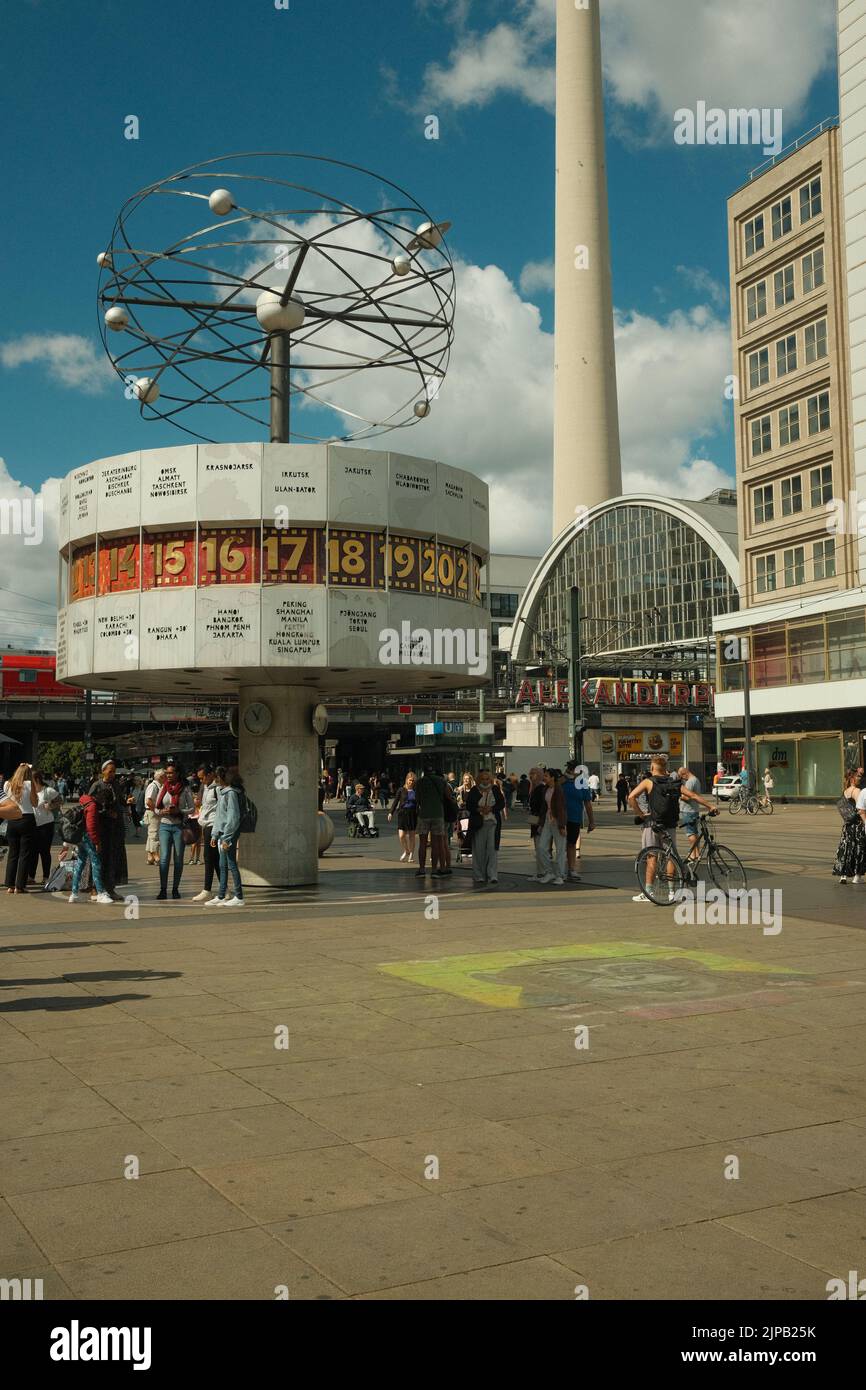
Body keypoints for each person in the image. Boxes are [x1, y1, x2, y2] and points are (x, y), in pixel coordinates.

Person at [628, 755, 716, 903]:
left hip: (652, 824)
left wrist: (641, 815)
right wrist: (710, 806)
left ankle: (648, 892)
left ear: (652, 768)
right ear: (665, 768)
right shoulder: (674, 782)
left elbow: (631, 797)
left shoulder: (648, 782)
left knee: (651, 855)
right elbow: (693, 795)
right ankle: (671, 892)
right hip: (670, 825)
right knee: (671, 857)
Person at [154, 765, 194, 900]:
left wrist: (180, 811)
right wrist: (162, 811)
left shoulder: (185, 788)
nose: (169, 775)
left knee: (178, 859)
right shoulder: (163, 787)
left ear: (177, 773)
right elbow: (155, 808)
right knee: (164, 859)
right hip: (165, 825)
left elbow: (192, 808)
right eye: (167, 773)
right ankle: (163, 889)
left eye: (171, 773)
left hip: (179, 827)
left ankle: (175, 889)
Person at [68, 785, 114, 904]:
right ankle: (100, 892)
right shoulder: (93, 806)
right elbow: (91, 826)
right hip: (89, 838)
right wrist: (96, 842)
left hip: (81, 837)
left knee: (80, 863)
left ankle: (74, 893)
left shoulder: (85, 801)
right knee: (96, 864)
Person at [89, 760, 127, 901]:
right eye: (110, 771)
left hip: (115, 827)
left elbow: (120, 801)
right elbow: (90, 805)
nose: (112, 774)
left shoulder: (116, 784)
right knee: (100, 858)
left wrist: (127, 801)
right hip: (102, 827)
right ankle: (95, 888)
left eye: (114, 771)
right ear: (103, 771)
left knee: (113, 858)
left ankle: (110, 889)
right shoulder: (97, 785)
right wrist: (105, 812)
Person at [208, 769, 245, 907]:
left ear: (223, 778)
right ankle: (221, 895)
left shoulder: (231, 794)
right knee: (222, 865)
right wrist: (215, 833)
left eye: (217, 777)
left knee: (231, 864)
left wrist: (227, 838)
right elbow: (220, 816)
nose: (215, 780)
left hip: (228, 834)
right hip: (222, 833)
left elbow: (232, 818)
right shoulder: (223, 792)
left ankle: (239, 896)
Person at [3, 762, 38, 894]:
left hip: (12, 819)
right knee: (25, 854)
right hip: (27, 819)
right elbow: (35, 803)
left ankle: (9, 885)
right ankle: (20, 885)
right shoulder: (29, 784)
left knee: (13, 853)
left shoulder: (7, 784)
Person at [466, 769, 504, 887]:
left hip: (492, 823)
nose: (485, 781)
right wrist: (479, 809)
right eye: (483, 779)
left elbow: (501, 803)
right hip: (479, 824)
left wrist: (491, 809)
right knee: (479, 850)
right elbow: (469, 805)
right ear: (479, 779)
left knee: (492, 849)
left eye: (487, 779)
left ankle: (492, 875)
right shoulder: (474, 790)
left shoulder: (495, 789)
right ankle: (479, 875)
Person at [532, 768, 568, 885]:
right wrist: (541, 824)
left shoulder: (559, 790)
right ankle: (549, 872)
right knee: (541, 847)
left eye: (546, 776)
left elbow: (562, 808)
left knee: (560, 850)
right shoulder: (546, 789)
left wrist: (562, 826)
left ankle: (560, 875)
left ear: (552, 777)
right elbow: (543, 807)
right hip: (548, 820)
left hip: (557, 821)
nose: (544, 778)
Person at [27, 769, 60, 886]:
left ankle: (46, 877)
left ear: (36, 779)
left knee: (44, 851)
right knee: (32, 852)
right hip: (32, 825)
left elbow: (60, 801)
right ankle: (31, 876)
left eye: (29, 779)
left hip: (46, 825)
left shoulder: (48, 791)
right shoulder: (29, 791)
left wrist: (51, 805)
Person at [563, 762, 595, 882]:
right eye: (569, 769)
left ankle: (571, 870)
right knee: (560, 845)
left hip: (574, 818)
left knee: (571, 844)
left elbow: (587, 803)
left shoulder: (582, 784)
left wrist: (591, 821)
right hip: (559, 818)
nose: (571, 772)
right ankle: (558, 870)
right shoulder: (562, 782)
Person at [191, 765, 219, 903]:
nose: (201, 781)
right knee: (214, 858)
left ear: (210, 775)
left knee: (210, 857)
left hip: (214, 826)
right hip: (206, 824)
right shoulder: (206, 787)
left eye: (202, 777)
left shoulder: (217, 788)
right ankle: (222, 888)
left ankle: (208, 889)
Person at [415, 765, 448, 878]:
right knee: (436, 844)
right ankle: (434, 870)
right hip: (438, 814)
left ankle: (422, 869)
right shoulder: (441, 781)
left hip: (424, 814)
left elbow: (417, 799)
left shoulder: (419, 782)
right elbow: (447, 796)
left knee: (423, 843)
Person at [833, 771, 866, 885]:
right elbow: (860, 808)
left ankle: (843, 875)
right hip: (858, 825)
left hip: (847, 826)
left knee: (846, 849)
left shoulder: (845, 791)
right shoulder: (856, 791)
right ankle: (857, 876)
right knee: (859, 849)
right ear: (852, 779)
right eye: (858, 776)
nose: (860, 778)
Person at [388, 772, 418, 863]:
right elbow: (395, 802)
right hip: (402, 814)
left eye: (413, 781)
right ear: (406, 780)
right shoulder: (401, 790)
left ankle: (411, 854)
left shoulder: (416, 790)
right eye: (410, 780)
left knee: (412, 836)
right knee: (401, 835)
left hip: (412, 814)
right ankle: (406, 850)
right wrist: (390, 813)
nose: (411, 782)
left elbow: (419, 803)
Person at [676, 766, 703, 866]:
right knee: (695, 833)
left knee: (690, 833)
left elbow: (687, 797)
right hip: (694, 810)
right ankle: (697, 854)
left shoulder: (690, 781)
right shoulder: (696, 780)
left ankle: (693, 855)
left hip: (688, 811)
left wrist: (678, 795)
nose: (682, 779)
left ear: (684, 773)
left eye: (682, 776)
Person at [526, 766, 548, 880]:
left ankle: (543, 872)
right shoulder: (534, 788)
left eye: (533, 773)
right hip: (534, 820)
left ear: (539, 775)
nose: (531, 775)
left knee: (540, 848)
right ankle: (540, 871)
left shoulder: (541, 789)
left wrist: (540, 823)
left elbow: (543, 808)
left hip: (539, 821)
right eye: (530, 773)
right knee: (537, 847)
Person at [144, 768, 165, 865]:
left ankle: (150, 856)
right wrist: (156, 811)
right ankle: (156, 855)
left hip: (152, 812)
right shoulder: (153, 786)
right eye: (165, 776)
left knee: (151, 834)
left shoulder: (158, 786)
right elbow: (149, 801)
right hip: (152, 812)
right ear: (160, 777)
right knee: (154, 834)